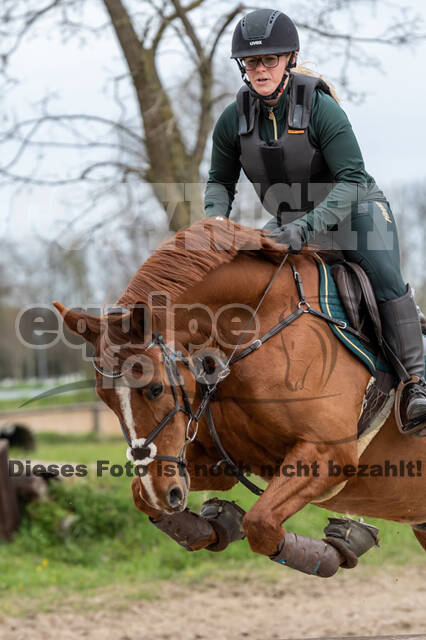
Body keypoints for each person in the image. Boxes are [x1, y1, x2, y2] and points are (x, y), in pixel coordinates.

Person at [204, 8, 426, 434]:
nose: (261, 69)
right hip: (290, 220)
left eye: (270, 60)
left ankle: (416, 383)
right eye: (252, 62)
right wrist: (214, 223)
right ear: (242, 68)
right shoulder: (233, 120)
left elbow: (354, 179)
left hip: (354, 209)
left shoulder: (320, 108)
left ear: (289, 59)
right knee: (246, 277)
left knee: (381, 273)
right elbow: (219, 180)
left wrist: (305, 227)